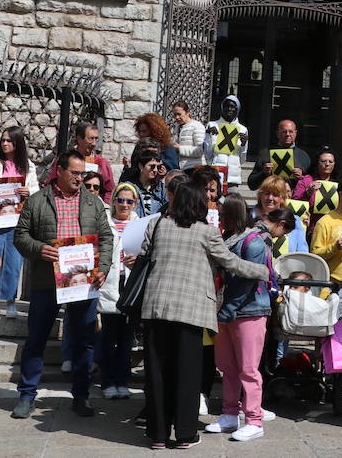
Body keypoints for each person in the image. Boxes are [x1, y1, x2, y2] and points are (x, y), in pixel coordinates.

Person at [137, 181, 269, 448]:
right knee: (187, 373)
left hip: (156, 308)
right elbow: (230, 263)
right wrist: (265, 272)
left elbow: (143, 256)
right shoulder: (206, 233)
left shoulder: (157, 225)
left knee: (158, 373)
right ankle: (186, 434)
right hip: (192, 310)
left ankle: (158, 436)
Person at [10, 150, 114, 419]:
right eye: (75, 173)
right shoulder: (37, 201)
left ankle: (81, 397)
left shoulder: (93, 203)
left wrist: (102, 269)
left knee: (83, 342)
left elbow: (105, 238)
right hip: (47, 281)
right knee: (36, 339)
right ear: (60, 171)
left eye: (82, 174)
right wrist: (39, 249)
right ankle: (26, 395)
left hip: (83, 282)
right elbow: (20, 236)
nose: (80, 178)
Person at [207, 196, 283, 442]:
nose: (219, 218)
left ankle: (253, 419)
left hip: (250, 311)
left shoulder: (254, 242)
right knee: (227, 367)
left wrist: (228, 309)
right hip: (225, 311)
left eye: (222, 214)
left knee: (248, 369)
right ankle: (230, 414)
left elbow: (248, 280)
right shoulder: (227, 239)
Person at [0, 126, 39, 320]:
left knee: (13, 260)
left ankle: (10, 301)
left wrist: (28, 192)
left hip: (16, 219)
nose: (5, 144)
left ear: (17, 143)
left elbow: (35, 188)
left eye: (9, 141)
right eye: (3, 140)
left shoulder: (27, 165)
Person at [97, 182, 140, 400]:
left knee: (126, 340)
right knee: (108, 338)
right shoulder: (104, 223)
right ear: (113, 201)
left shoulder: (141, 225)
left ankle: (122, 380)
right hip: (110, 285)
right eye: (120, 200)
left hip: (130, 287)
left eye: (129, 201)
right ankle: (107, 381)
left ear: (135, 203)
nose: (124, 204)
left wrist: (138, 260)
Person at [49, 122, 115, 201]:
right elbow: (51, 183)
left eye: (96, 139)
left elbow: (109, 190)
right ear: (79, 139)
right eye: (90, 138)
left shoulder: (101, 163)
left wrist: (103, 205)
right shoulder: (65, 159)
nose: (94, 143)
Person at [246, 119, 311, 191]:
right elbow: (251, 184)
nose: (288, 134)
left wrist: (302, 177)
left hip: (293, 199)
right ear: (277, 133)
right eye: (284, 131)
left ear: (296, 133)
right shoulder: (266, 153)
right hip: (271, 197)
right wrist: (263, 173)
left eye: (291, 131)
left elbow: (311, 185)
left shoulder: (303, 156)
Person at [201, 95, 247, 187]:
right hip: (216, 175)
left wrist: (243, 145)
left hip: (233, 178)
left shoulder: (243, 129)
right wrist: (208, 136)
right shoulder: (212, 125)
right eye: (227, 106)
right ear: (222, 108)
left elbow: (242, 160)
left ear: (237, 109)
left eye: (233, 106)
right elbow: (207, 155)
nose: (229, 109)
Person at [254, 176, 308, 256]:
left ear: (282, 197)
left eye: (275, 195)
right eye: (267, 193)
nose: (270, 198)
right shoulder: (251, 218)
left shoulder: (294, 221)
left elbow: (303, 252)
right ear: (260, 195)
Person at [131, 144, 169, 217]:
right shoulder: (130, 188)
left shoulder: (161, 188)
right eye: (152, 166)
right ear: (141, 166)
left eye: (158, 167)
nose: (155, 170)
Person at [172, 101, 206, 172]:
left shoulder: (197, 126)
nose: (177, 117)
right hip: (181, 168)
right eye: (174, 115)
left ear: (187, 112)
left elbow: (200, 150)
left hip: (194, 169)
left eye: (179, 114)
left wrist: (180, 148)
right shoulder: (177, 128)